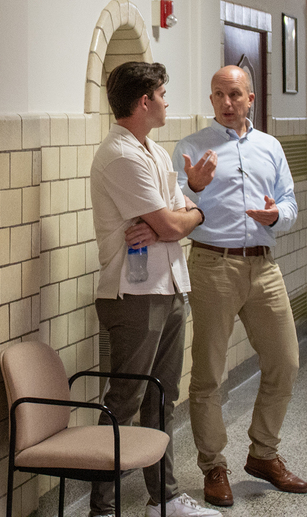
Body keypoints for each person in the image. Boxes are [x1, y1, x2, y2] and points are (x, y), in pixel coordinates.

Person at [88, 61, 220, 517]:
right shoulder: (120, 154)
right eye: (163, 94)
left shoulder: (156, 152)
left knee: (163, 396)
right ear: (144, 101)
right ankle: (103, 508)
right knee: (126, 398)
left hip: (168, 287)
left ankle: (162, 498)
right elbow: (168, 222)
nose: (167, 101)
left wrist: (188, 213)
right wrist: (173, 222)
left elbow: (179, 217)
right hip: (134, 293)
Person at [174, 65, 307, 508]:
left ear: (251, 99)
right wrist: (192, 186)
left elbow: (289, 200)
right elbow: (174, 204)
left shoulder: (270, 147)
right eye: (218, 95)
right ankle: (213, 465)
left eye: (234, 94)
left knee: (285, 361)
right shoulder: (192, 147)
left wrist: (277, 217)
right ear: (211, 100)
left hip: (263, 266)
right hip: (213, 264)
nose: (226, 103)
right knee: (209, 372)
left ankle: (263, 453)